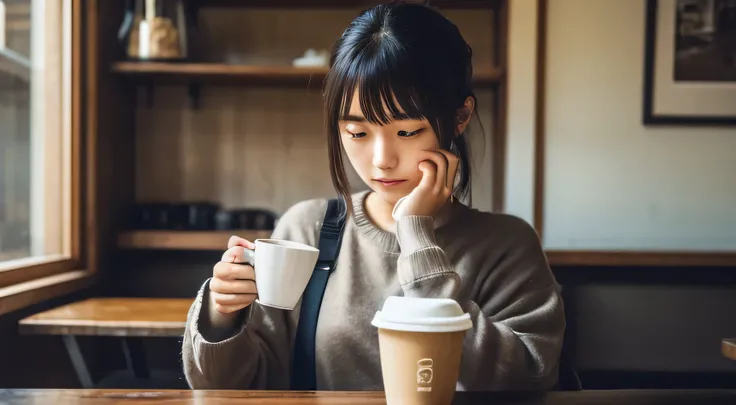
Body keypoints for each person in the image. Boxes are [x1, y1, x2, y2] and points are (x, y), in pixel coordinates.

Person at [182, 1, 565, 392]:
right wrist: (221, 313)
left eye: (407, 132)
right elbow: (231, 387)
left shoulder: (505, 245)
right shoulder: (308, 229)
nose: (381, 161)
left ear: (459, 118)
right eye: (358, 133)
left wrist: (416, 236)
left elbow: (527, 378)